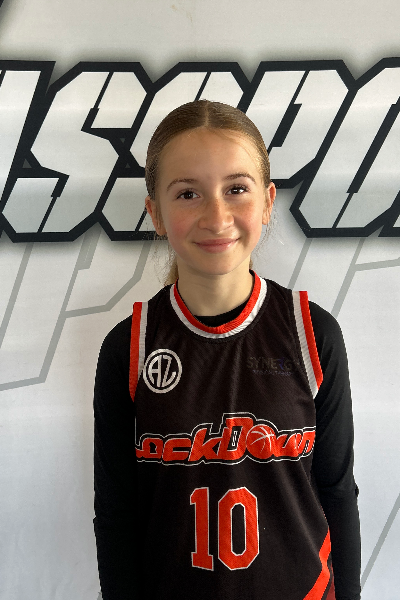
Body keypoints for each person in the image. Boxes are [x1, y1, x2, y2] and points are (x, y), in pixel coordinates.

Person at [93, 100, 361, 600]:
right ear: (155, 213)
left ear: (267, 202)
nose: (216, 217)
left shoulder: (312, 334)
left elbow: (337, 491)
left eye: (236, 189)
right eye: (188, 193)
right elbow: (116, 513)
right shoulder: (128, 348)